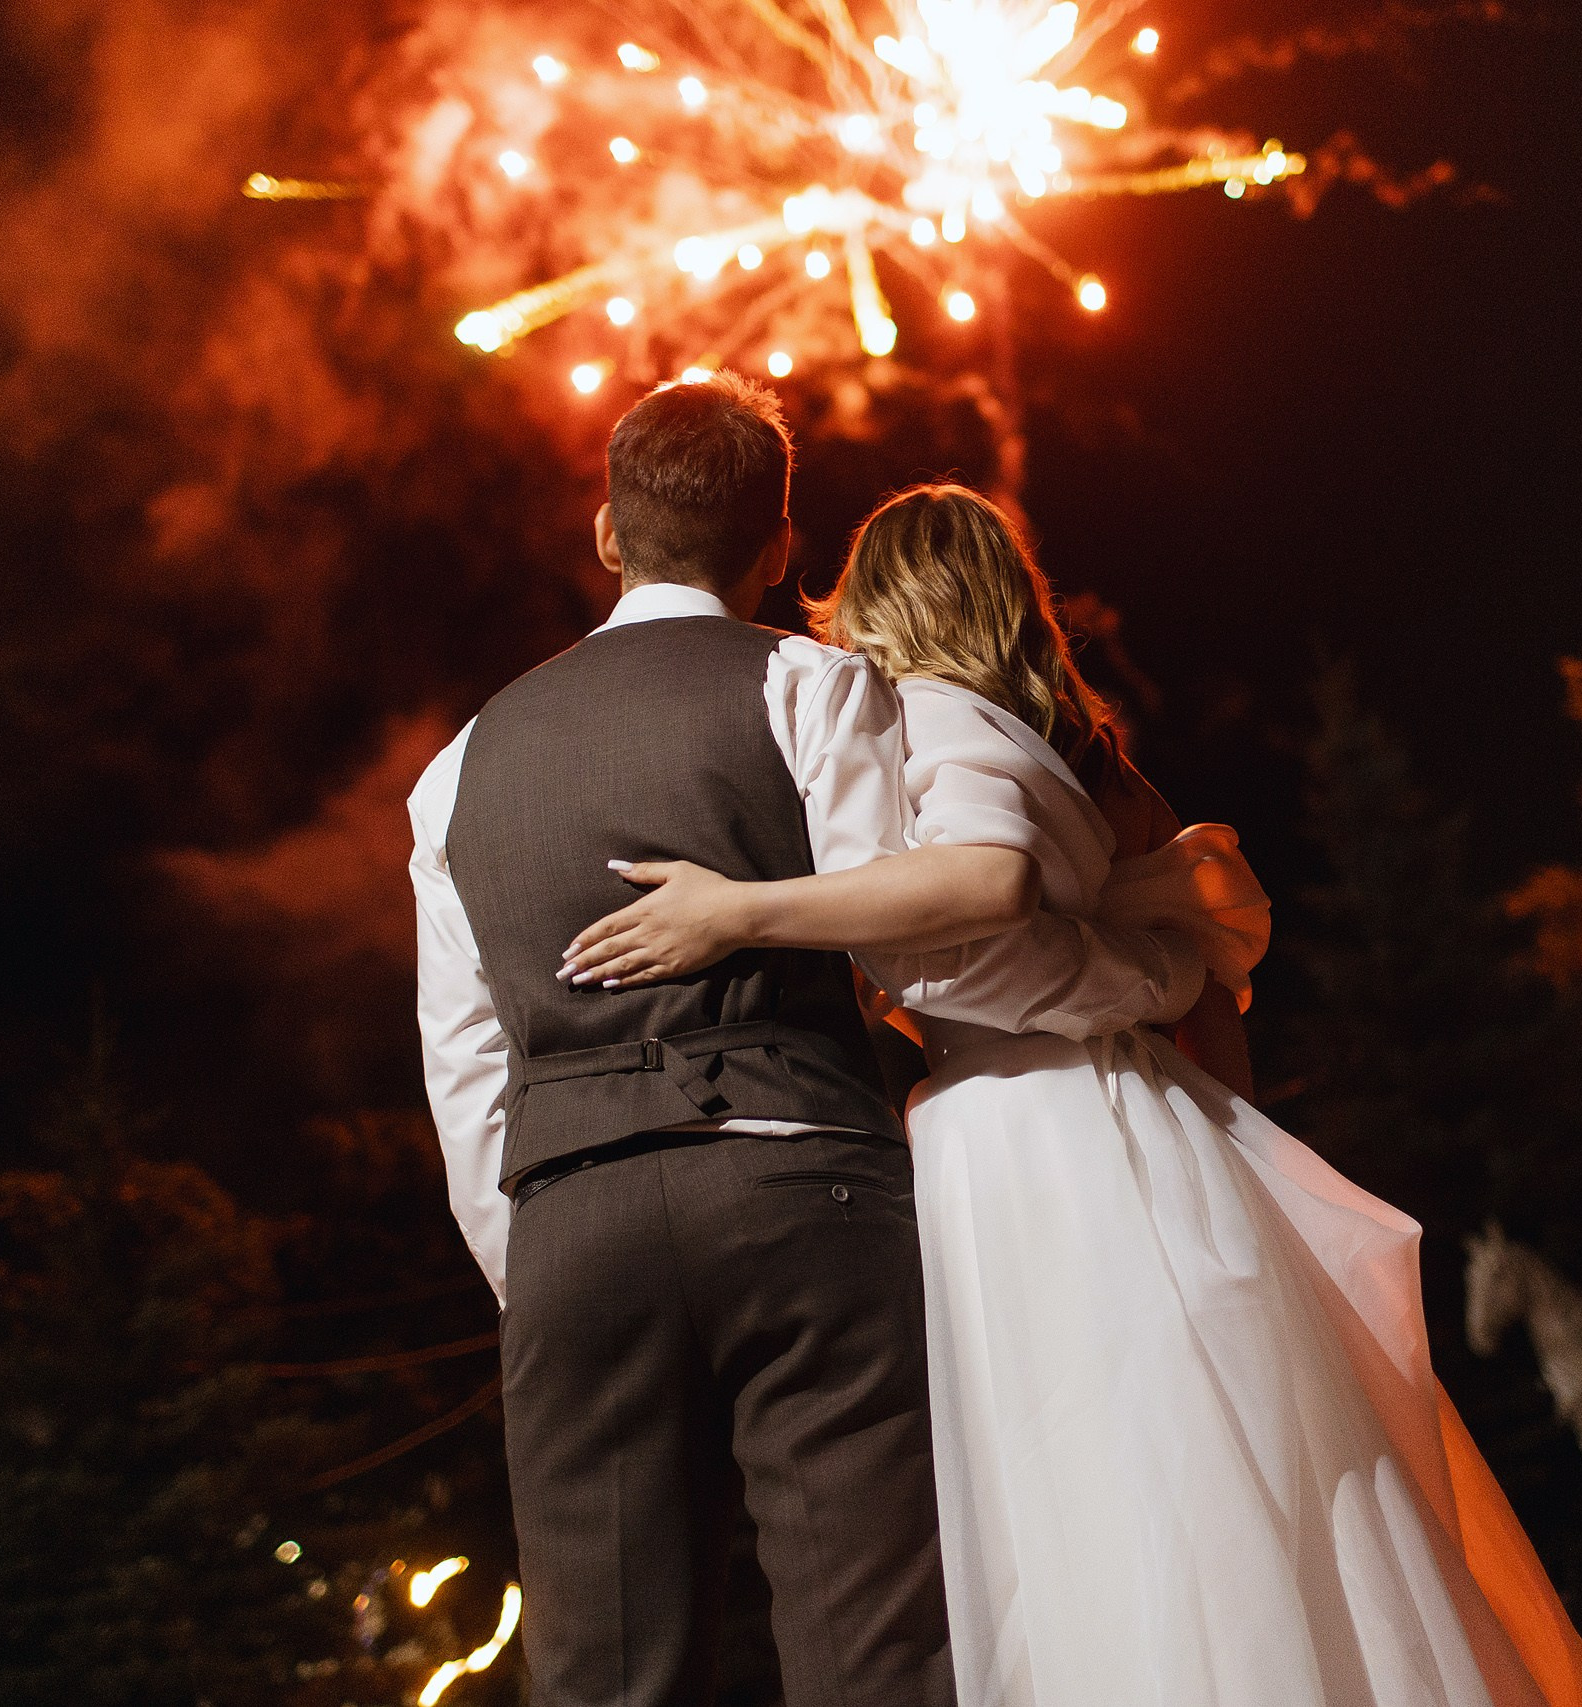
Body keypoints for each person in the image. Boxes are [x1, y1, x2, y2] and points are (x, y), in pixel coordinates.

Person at [561, 484, 1582, 1707]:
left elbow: (967, 938)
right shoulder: (1099, 766)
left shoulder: (922, 727)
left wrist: (751, 917)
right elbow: (1206, 1010)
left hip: (1016, 1140)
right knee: (1221, 1471)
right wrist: (1219, 1148)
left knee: (1079, 1486)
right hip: (1147, 1126)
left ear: (886, 602)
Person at [407, 382, 1211, 1707]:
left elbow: (468, 1075)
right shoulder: (812, 681)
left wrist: (541, 1252)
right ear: (780, 549)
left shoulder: (457, 768)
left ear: (607, 532)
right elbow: (917, 951)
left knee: (604, 1675)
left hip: (570, 1219)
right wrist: (1144, 980)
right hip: (805, 1191)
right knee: (872, 1648)